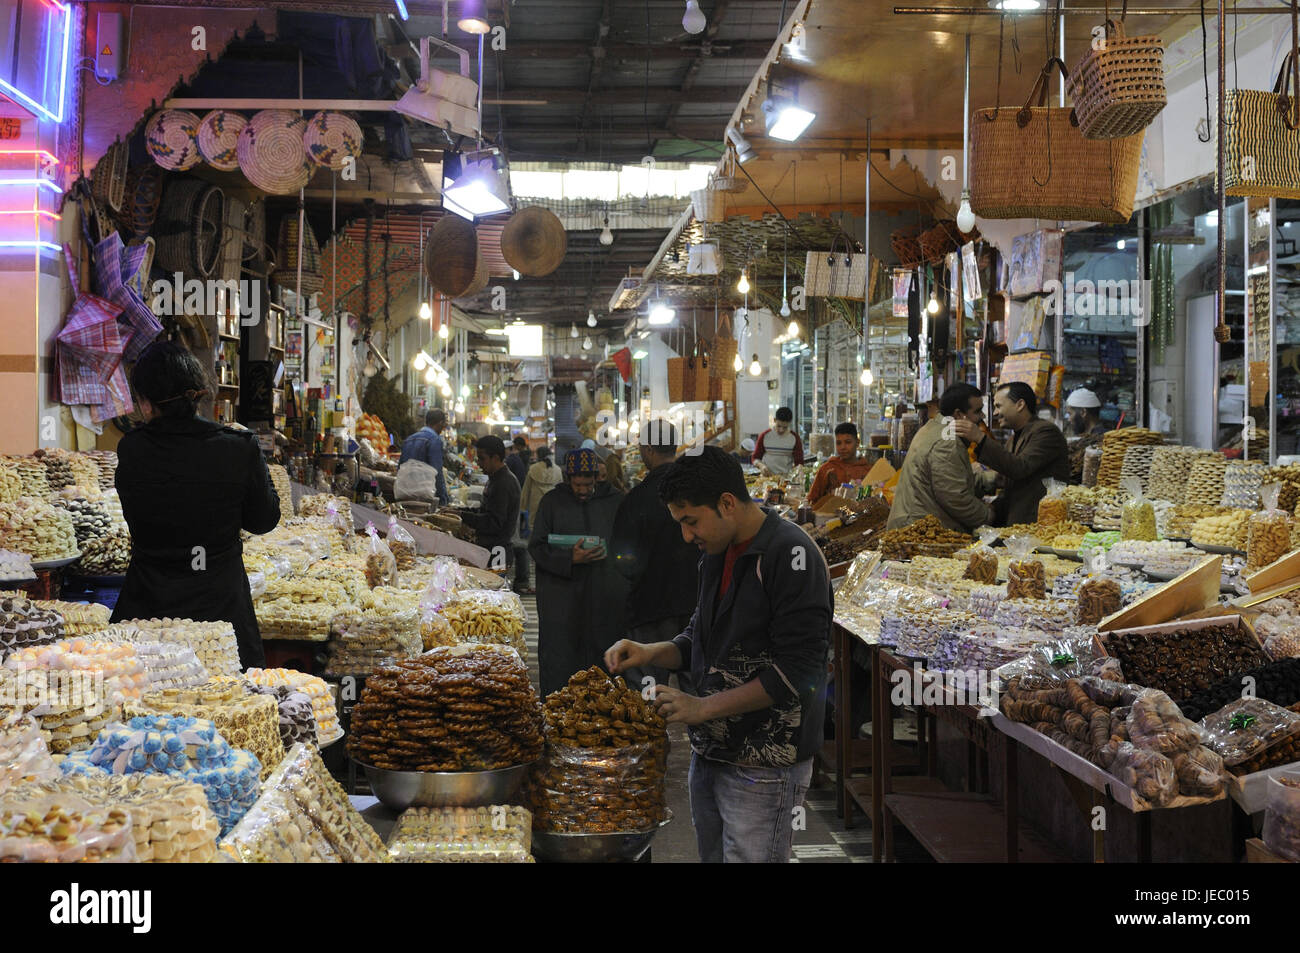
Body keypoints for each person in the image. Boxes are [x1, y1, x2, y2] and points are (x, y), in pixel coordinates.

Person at [605, 446, 831, 863]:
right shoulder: (716, 552)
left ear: (727, 503)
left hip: (766, 762)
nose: (686, 535)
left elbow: (798, 671)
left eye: (691, 521)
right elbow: (701, 635)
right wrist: (650, 651)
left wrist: (703, 706)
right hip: (713, 750)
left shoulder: (790, 556)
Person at [111, 340, 280, 669]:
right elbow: (264, 520)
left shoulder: (131, 450)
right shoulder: (237, 447)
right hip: (221, 614)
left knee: (145, 711)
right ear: (198, 394)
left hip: (148, 612)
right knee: (230, 707)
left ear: (146, 404)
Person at [528, 447, 629, 696]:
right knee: (562, 660)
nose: (583, 491)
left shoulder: (615, 502)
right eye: (577, 485)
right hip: (563, 599)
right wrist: (569, 557)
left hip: (604, 597)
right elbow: (537, 547)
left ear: (597, 478)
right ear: (567, 479)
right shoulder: (552, 502)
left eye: (588, 484)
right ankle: (559, 717)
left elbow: (629, 546)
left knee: (604, 661)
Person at [609, 422, 698, 693]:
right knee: (696, 684)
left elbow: (622, 558)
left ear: (648, 450)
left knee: (646, 689)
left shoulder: (637, 498)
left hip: (650, 607)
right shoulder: (697, 491)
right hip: (695, 602)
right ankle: (702, 736)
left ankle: (650, 736)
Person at [954, 381, 1070, 527]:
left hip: (1040, 523)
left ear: (1020, 405)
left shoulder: (1046, 432)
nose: (995, 413)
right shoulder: (1013, 439)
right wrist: (991, 508)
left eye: (998, 406)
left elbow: (1019, 468)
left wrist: (980, 438)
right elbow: (1009, 483)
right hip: (1018, 524)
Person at [887, 383, 994, 532]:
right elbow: (955, 498)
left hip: (915, 525)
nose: (982, 416)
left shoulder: (936, 428)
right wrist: (990, 515)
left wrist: (990, 479)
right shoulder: (946, 441)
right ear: (958, 414)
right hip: (918, 532)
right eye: (977, 411)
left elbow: (952, 478)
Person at [460, 435, 521, 573]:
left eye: (482, 458)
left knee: (494, 592)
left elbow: (493, 523)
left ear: (496, 458)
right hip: (490, 549)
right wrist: (459, 512)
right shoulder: (495, 478)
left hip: (497, 552)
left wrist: (464, 517)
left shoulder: (503, 483)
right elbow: (485, 511)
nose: (479, 463)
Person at [807, 422, 874, 504]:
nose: (843, 447)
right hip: (829, 515)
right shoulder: (827, 469)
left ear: (857, 443)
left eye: (848, 442)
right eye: (839, 443)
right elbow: (812, 499)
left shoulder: (867, 470)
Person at [399, 409, 450, 505]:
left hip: (405, 494)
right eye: (444, 424)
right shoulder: (434, 440)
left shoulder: (409, 439)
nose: (443, 427)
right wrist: (443, 499)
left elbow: (400, 468)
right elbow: (437, 473)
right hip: (424, 497)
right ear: (440, 423)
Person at [752, 407, 805, 476]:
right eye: (778, 426)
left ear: (789, 423)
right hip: (767, 478)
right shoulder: (765, 436)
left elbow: (799, 462)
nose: (781, 430)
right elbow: (755, 458)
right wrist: (761, 466)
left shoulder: (794, 438)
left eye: (785, 427)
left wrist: (799, 471)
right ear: (774, 420)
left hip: (785, 479)